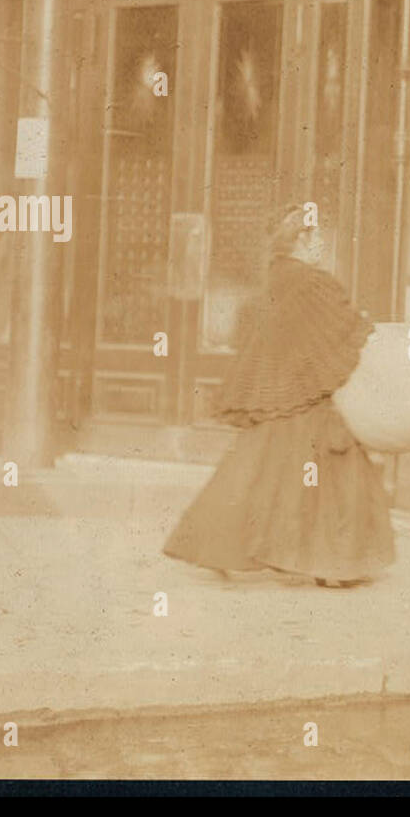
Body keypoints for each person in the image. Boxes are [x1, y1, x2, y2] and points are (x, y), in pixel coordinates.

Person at [163, 205, 395, 586]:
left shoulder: (278, 276)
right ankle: (333, 565)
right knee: (331, 473)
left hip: (276, 391)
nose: (321, 242)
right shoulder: (313, 283)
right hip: (304, 394)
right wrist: (365, 323)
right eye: (316, 235)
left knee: (257, 472)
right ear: (300, 239)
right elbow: (343, 326)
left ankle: (212, 545)